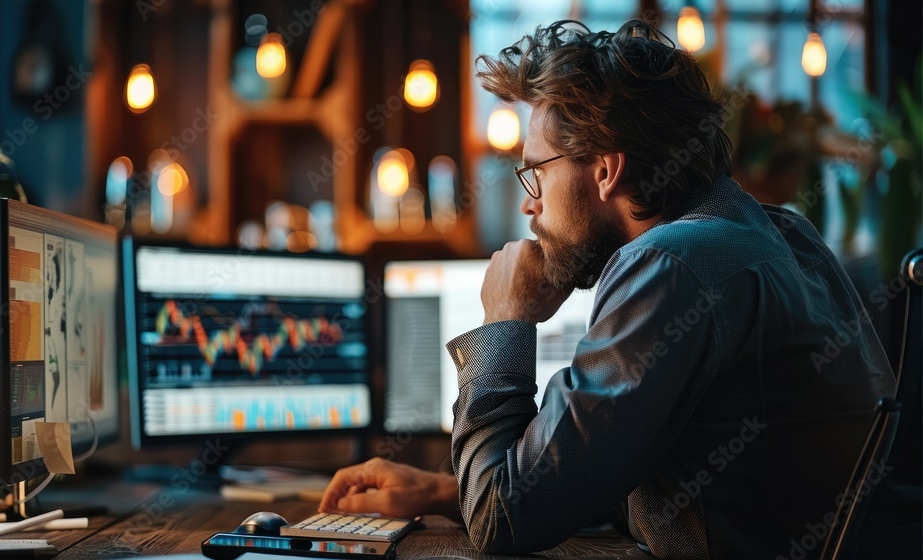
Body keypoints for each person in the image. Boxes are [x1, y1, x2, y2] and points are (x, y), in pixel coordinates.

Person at [319, 19, 895, 558]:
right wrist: (444, 492)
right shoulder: (784, 232)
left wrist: (505, 322)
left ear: (604, 170)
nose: (528, 202)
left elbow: (504, 518)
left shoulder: (669, 264)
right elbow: (630, 479)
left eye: (536, 171)